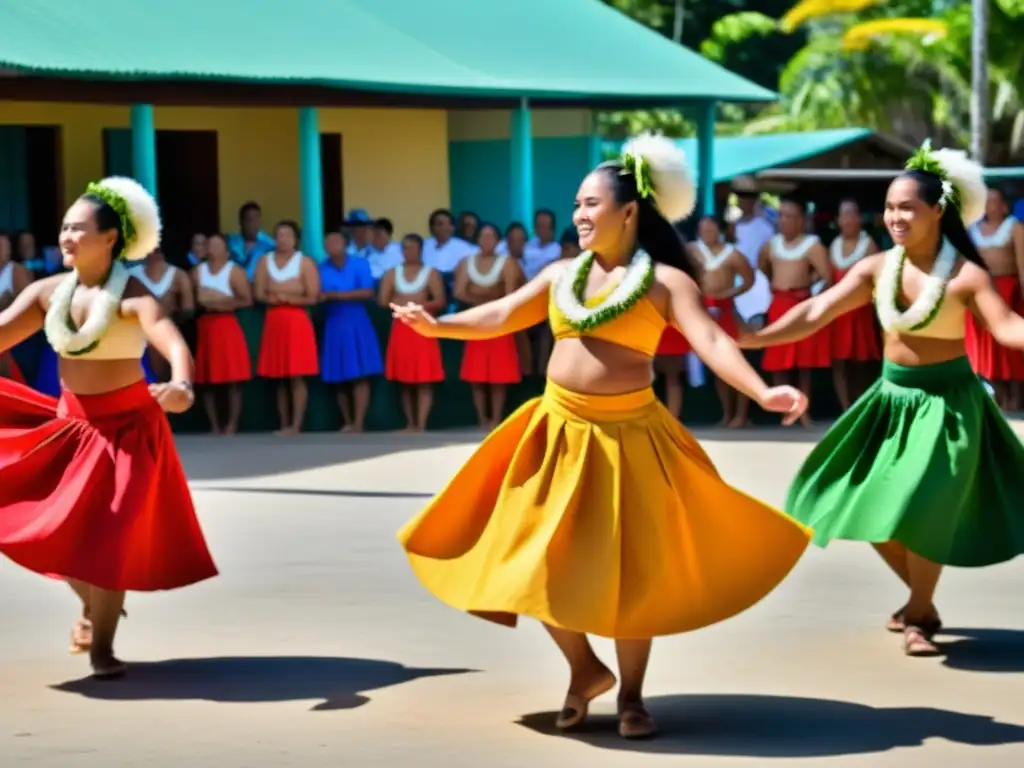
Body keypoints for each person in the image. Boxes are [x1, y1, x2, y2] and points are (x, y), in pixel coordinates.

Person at [391, 135, 812, 739]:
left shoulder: (666, 282)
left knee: (628, 575)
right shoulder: (563, 273)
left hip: (629, 440)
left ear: (629, 212)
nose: (581, 216)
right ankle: (584, 668)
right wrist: (439, 327)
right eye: (577, 205)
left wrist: (762, 392)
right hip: (555, 432)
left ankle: (634, 696)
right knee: (531, 560)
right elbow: (503, 314)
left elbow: (714, 342)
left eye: (592, 204)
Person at [742, 141, 1024, 657]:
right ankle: (923, 605)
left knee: (924, 505)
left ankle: (918, 614)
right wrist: (754, 338)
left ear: (937, 211)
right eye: (890, 207)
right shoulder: (876, 269)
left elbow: (1008, 329)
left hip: (949, 405)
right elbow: (816, 311)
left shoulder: (965, 276)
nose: (894, 216)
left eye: (907, 207)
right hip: (891, 400)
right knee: (869, 506)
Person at [0, 176, 217, 678]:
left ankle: (102, 646)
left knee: (110, 538)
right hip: (68, 426)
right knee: (65, 535)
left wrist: (181, 384)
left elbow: (171, 341)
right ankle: (93, 608)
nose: (67, 236)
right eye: (64, 228)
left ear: (110, 238)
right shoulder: (46, 293)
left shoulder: (133, 295)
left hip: (128, 431)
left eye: (79, 228)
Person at [758, 198, 833, 426]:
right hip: (778, 304)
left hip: (800, 305)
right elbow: (762, 270)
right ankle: (783, 409)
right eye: (780, 215)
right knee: (778, 360)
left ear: (800, 220)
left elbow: (826, 275)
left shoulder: (812, 245)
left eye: (789, 216)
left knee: (804, 363)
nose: (783, 221)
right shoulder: (771, 245)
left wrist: (809, 291)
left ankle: (804, 411)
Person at [454, 223, 525, 429]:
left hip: (499, 323)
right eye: (483, 237)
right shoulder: (466, 263)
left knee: (499, 374)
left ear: (497, 240)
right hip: (476, 323)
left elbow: (512, 293)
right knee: (476, 374)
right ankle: (481, 418)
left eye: (491, 237)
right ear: (477, 240)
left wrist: (485, 300)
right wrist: (484, 300)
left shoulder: (507, 263)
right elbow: (459, 291)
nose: (486, 241)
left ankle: (496, 417)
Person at [253, 221, 321, 436]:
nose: (283, 239)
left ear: (295, 239)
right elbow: (258, 293)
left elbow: (313, 296)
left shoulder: (305, 262)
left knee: (297, 375)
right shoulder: (265, 261)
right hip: (274, 321)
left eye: (288, 235)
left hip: (297, 322)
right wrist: (272, 298)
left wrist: (289, 298)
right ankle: (284, 423)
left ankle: (297, 424)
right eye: (279, 235)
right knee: (279, 375)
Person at [688, 216, 755, 427]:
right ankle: (726, 413)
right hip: (703, 310)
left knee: (737, 361)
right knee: (718, 368)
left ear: (720, 231)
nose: (707, 233)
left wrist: (730, 292)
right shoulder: (692, 250)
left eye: (711, 229)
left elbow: (749, 279)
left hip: (726, 310)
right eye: (703, 230)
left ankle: (741, 415)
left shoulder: (732, 254)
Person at [379, 234, 447, 432]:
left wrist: (419, 306)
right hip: (401, 329)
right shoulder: (392, 273)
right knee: (405, 380)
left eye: (413, 248)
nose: (409, 251)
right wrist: (399, 305)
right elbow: (383, 300)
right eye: (406, 248)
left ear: (420, 249)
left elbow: (440, 300)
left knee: (424, 379)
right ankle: (410, 422)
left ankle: (422, 423)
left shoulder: (431, 273)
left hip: (423, 327)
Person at [965, 187, 1024, 410]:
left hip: (1009, 293)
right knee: (988, 353)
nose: (989, 206)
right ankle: (999, 401)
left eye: (993, 201)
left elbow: (1022, 264)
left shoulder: (1015, 227)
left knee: (1012, 353)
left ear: (1003, 206)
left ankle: (1016, 403)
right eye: (985, 202)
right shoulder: (973, 230)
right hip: (982, 293)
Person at [320, 230, 382, 433]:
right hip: (334, 323)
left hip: (356, 322)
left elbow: (367, 292)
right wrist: (335, 297)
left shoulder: (360, 264)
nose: (332, 245)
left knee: (360, 374)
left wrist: (335, 296)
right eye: (328, 241)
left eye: (336, 241)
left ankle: (359, 422)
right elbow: (317, 295)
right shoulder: (321, 268)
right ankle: (348, 421)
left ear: (345, 244)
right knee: (338, 376)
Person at [192, 232, 253, 435]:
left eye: (218, 246)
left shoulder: (233, 271)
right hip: (206, 326)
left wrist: (223, 303)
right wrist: (207, 302)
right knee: (207, 379)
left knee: (232, 379)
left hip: (227, 326)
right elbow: (193, 300)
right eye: (211, 245)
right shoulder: (198, 272)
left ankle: (232, 424)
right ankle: (214, 425)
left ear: (227, 252)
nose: (214, 250)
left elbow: (247, 300)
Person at [828, 200, 882, 410]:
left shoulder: (868, 245)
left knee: (861, 363)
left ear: (859, 219)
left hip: (860, 311)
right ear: (838, 220)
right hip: (838, 313)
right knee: (839, 363)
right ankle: (845, 407)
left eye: (852, 215)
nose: (848, 220)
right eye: (844, 215)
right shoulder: (833, 246)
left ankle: (861, 406)